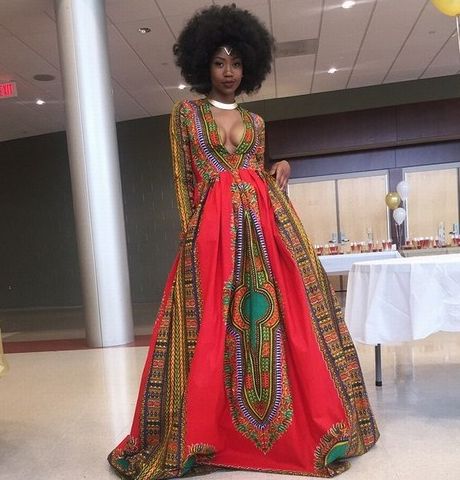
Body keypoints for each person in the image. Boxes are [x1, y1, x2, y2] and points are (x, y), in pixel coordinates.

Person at [108, 4, 379, 479]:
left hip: (264, 233)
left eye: (236, 63)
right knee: (211, 327)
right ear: (203, 65)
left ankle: (299, 428)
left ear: (249, 66)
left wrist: (279, 169)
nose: (228, 72)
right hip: (210, 236)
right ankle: (205, 432)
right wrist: (192, 238)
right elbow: (184, 182)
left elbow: (255, 173)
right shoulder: (186, 115)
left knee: (278, 321)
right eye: (219, 62)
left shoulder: (256, 123)